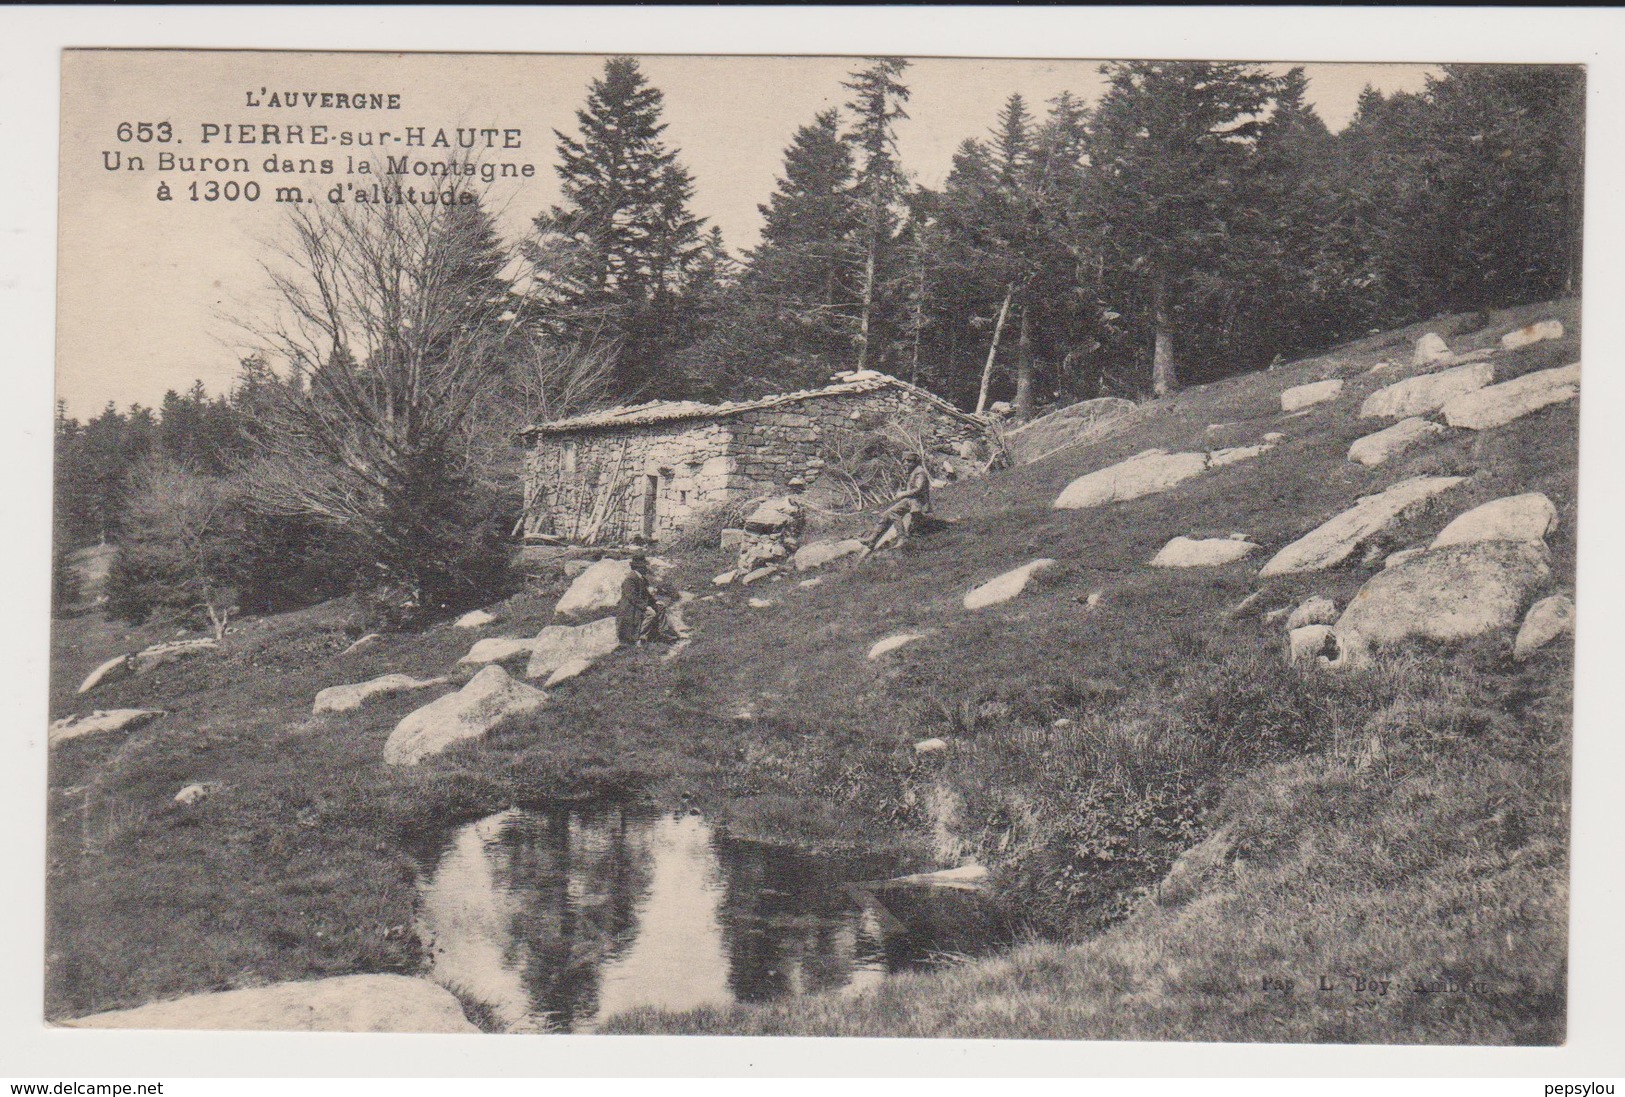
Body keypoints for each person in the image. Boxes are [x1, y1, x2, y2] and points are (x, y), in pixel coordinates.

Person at [735, 477, 808, 575]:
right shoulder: (785, 501)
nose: (795, 490)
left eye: (797, 487)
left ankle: (752, 565)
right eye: (794, 487)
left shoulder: (791, 501)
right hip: (765, 527)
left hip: (767, 527)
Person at [861, 453, 931, 555]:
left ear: (915, 462)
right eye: (905, 461)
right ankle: (872, 539)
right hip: (911, 501)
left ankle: (902, 538)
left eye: (910, 461)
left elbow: (919, 489)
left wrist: (903, 494)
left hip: (918, 502)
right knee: (886, 514)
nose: (906, 464)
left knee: (892, 513)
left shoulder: (920, 472)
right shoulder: (913, 472)